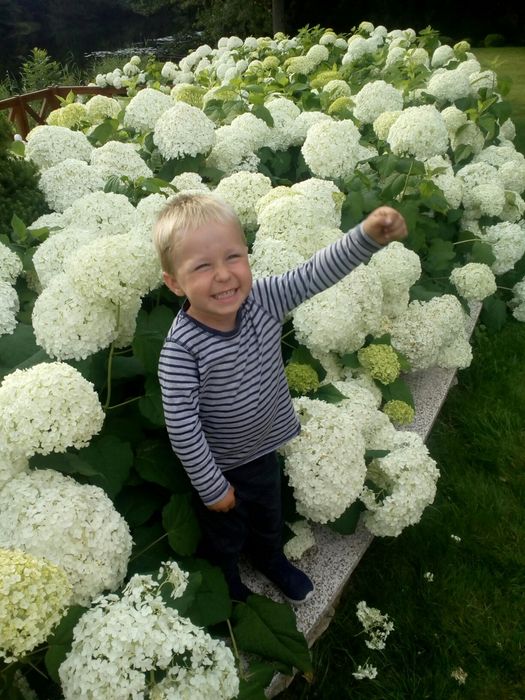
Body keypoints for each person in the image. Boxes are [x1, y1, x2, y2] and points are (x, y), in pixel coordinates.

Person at [153, 192, 408, 604]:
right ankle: (227, 584)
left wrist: (366, 237)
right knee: (224, 531)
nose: (224, 275)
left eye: (233, 257)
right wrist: (212, 486)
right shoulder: (182, 350)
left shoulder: (264, 300)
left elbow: (313, 273)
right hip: (221, 465)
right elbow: (182, 426)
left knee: (269, 517)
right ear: (175, 283)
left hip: (266, 449)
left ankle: (271, 559)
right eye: (202, 266)